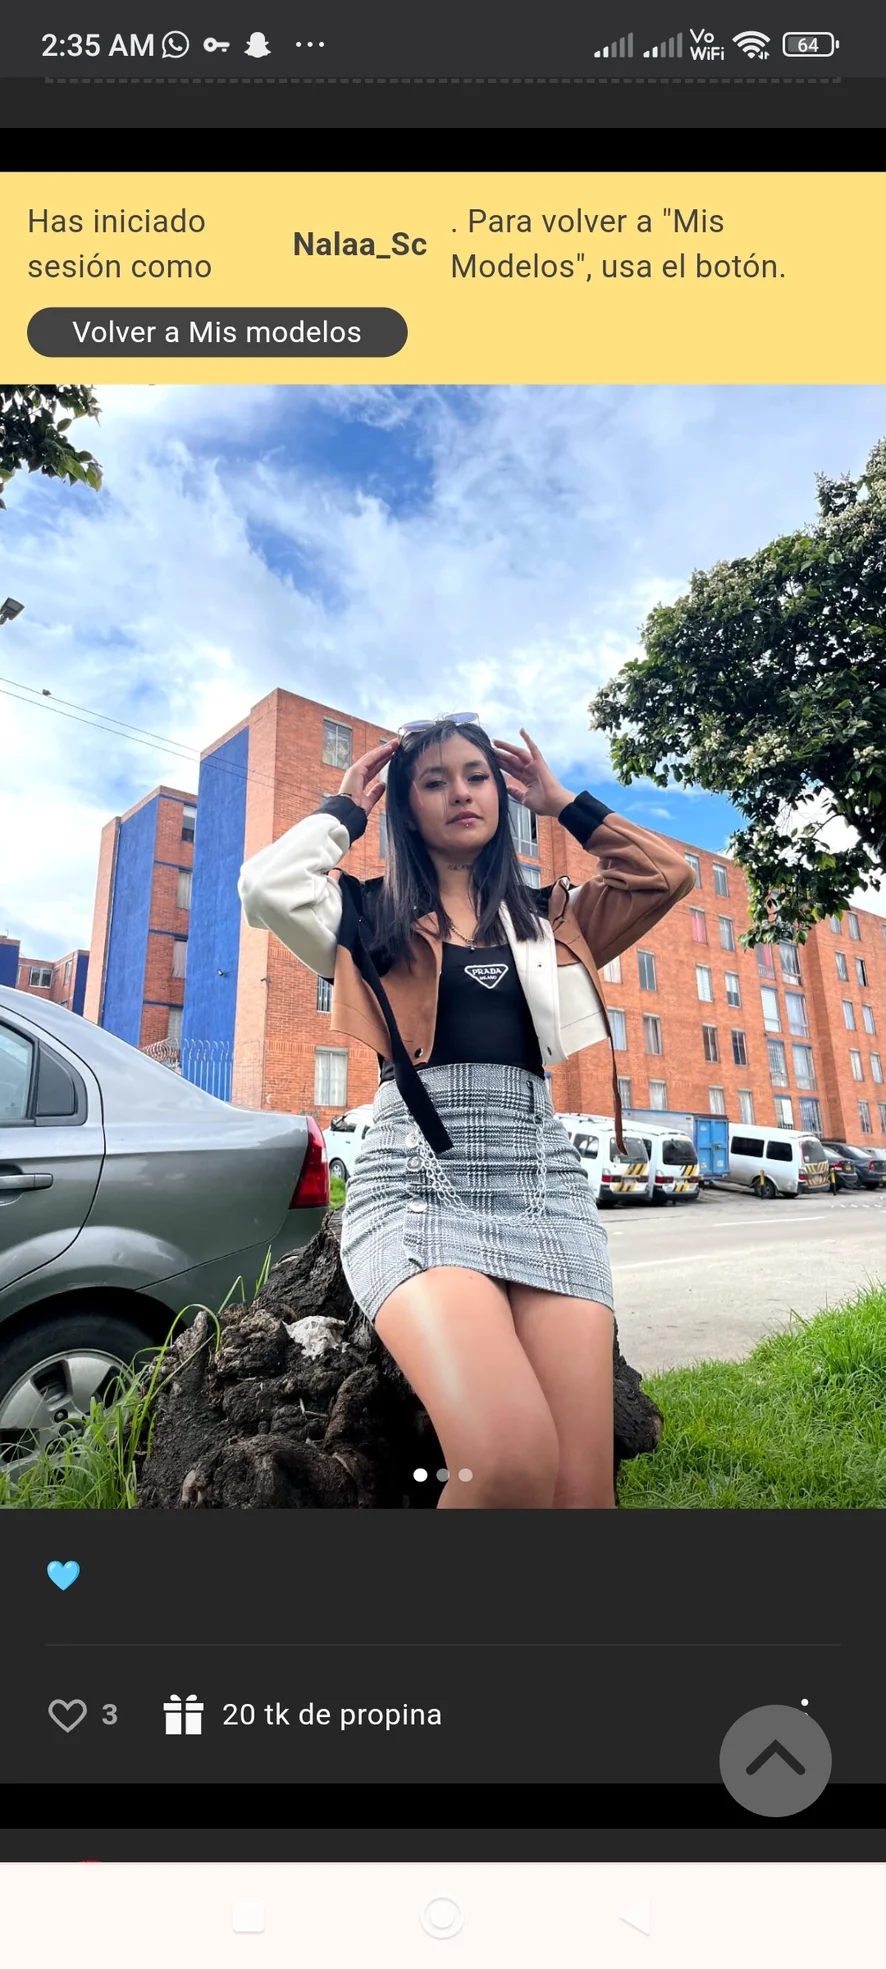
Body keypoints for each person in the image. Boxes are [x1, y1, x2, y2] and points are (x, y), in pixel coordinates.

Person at [238, 714, 694, 1510]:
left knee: (582, 1495)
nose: (461, 792)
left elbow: (667, 875)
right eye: (435, 780)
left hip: (544, 1183)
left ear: (500, 793)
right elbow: (268, 887)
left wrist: (564, 803)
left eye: (477, 775)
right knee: (508, 1461)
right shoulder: (364, 917)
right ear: (406, 805)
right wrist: (345, 808)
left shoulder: (555, 917)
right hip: (418, 1184)